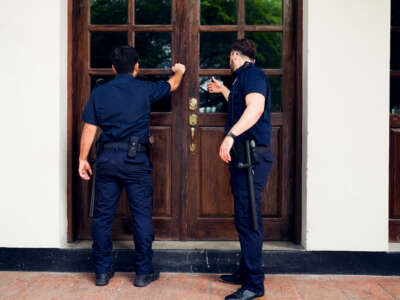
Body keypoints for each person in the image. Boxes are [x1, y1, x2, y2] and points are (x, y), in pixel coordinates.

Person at [78, 45, 185, 287]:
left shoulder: (100, 93)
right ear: (136, 67)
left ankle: (102, 273)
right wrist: (179, 70)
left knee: (102, 217)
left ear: (113, 68)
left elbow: (90, 128)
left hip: (106, 159)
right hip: (136, 160)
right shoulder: (144, 89)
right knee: (141, 216)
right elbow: (173, 85)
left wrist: (82, 159)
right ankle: (142, 273)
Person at [208, 39, 274, 300]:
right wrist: (225, 89)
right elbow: (242, 104)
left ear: (235, 55)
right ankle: (246, 270)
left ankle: (254, 284)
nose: (229, 59)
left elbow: (255, 108)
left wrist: (231, 135)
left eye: (230, 55)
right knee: (243, 216)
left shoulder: (254, 75)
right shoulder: (241, 80)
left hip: (252, 157)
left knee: (249, 219)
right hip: (244, 158)